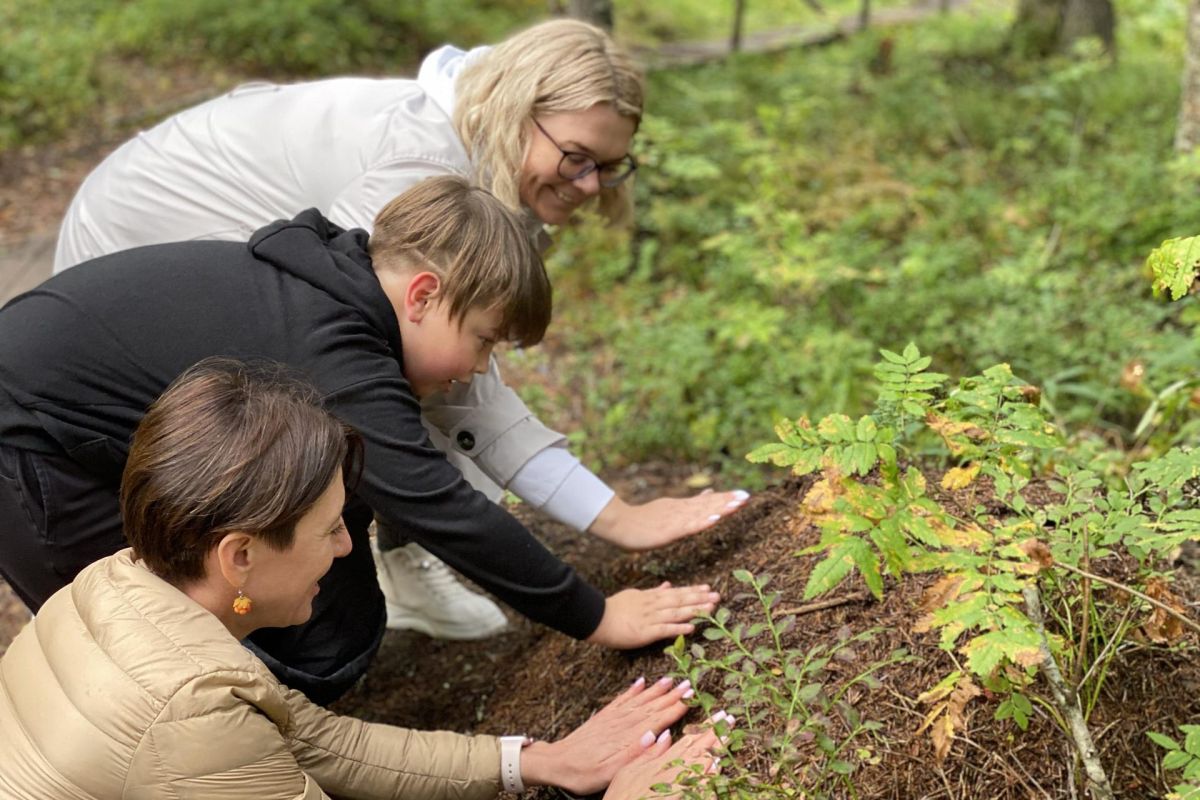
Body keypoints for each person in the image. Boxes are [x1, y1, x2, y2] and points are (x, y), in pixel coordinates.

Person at [51, 17, 750, 641]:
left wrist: (608, 512)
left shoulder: (483, 150)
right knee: (357, 398)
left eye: (609, 166)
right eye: (577, 157)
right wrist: (613, 524)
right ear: (518, 110)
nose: (592, 185)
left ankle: (380, 564)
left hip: (199, 261)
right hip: (134, 251)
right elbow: (414, 377)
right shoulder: (417, 168)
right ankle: (322, 593)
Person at [0, 176, 719, 704]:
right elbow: (439, 506)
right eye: (483, 339)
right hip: (28, 440)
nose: (479, 368)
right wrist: (595, 615)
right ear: (424, 294)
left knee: (330, 624)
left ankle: (269, 718)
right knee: (139, 643)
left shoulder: (333, 286)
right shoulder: (334, 347)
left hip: (93, 424)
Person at [0, 359, 728, 799]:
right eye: (329, 529)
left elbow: (311, 738)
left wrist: (541, 762)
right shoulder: (193, 719)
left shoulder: (112, 581)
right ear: (239, 556)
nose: (350, 546)